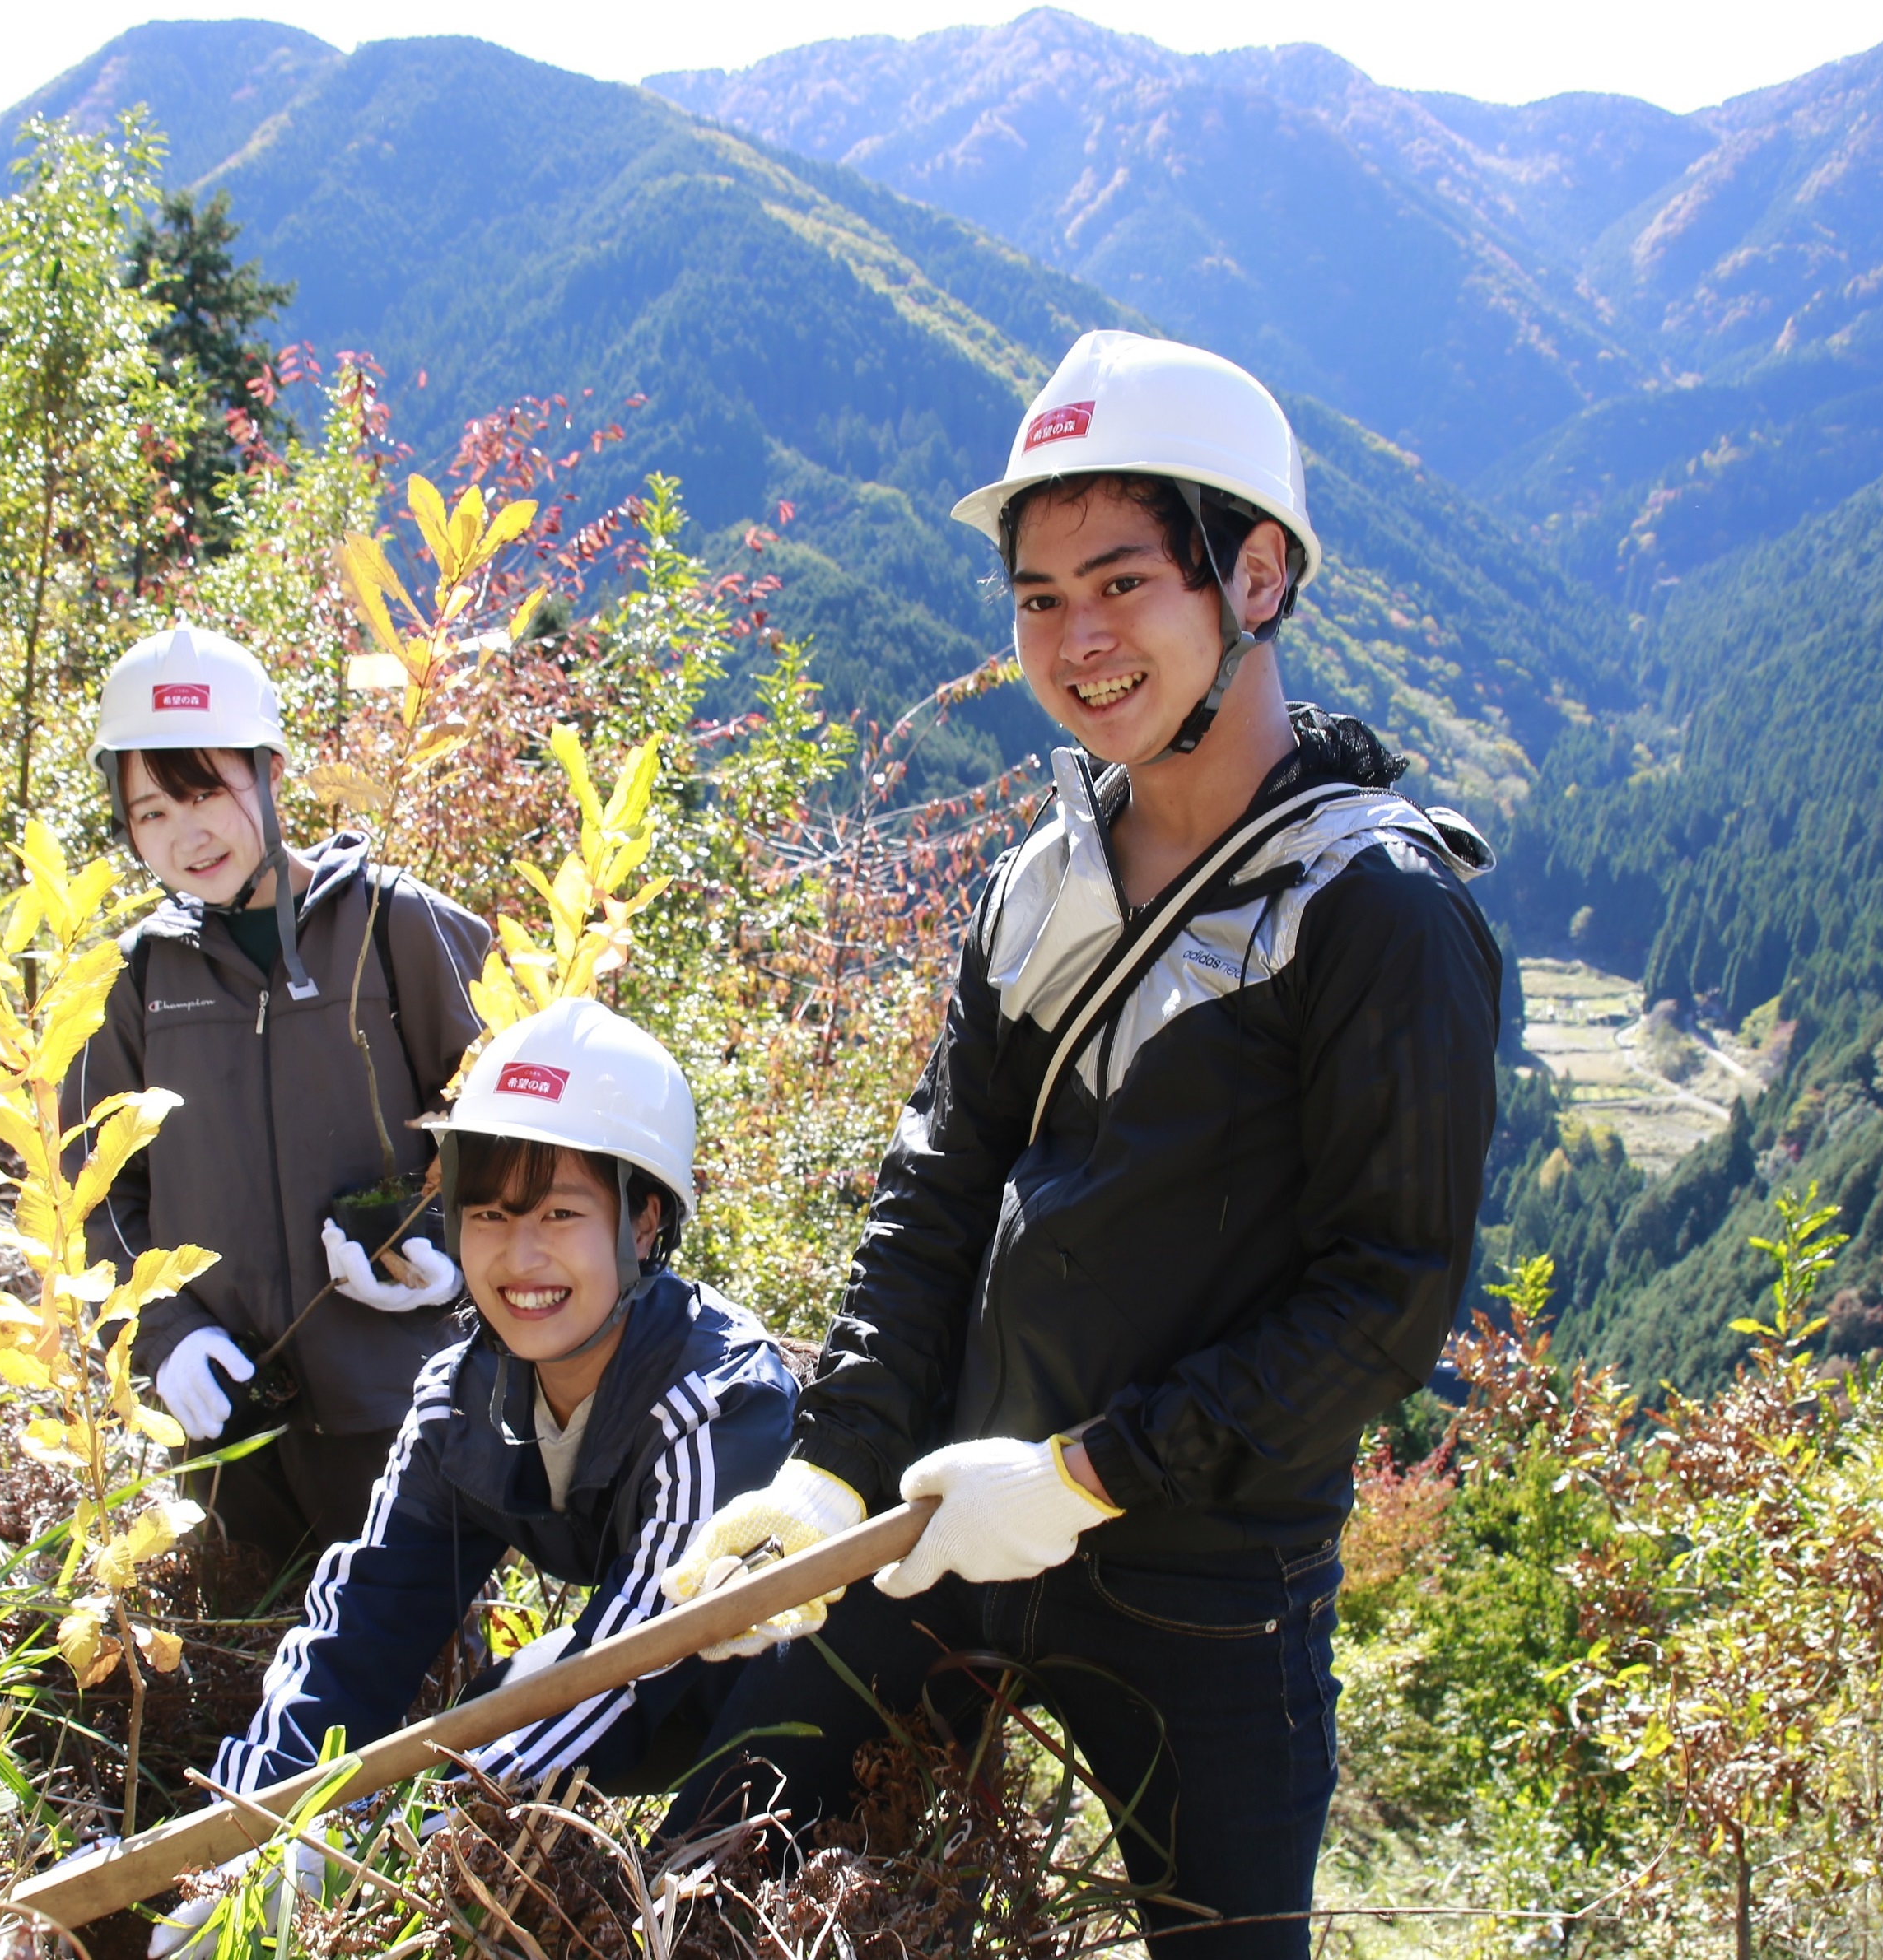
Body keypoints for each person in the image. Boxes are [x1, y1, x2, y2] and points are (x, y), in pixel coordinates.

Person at [665, 330, 1503, 1953]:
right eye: (1038, 597)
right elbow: (940, 1179)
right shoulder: (1038, 882)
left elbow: (1383, 1295)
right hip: (941, 1510)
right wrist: (837, 1455)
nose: (1076, 639)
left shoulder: (1378, 913)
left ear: (1252, 572)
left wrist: (1090, 1472)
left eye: (1120, 581)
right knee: (708, 1875)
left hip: (1205, 1574)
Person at [151, 999, 794, 1948]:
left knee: (695, 1887)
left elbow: (635, 1658)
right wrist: (250, 1831)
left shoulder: (718, 1399)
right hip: (638, 1667)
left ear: (647, 1219)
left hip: (793, 1681)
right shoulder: (464, 1396)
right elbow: (363, 1623)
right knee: (499, 1696)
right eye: (488, 1213)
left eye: (562, 1213)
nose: (520, 1254)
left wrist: (389, 1841)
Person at [68, 624, 491, 1591]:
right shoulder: (137, 981)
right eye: (152, 810)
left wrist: (452, 1257)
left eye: (208, 789)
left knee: (418, 1682)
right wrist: (163, 1335)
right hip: (223, 1426)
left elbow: (514, 1132)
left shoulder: (397, 927)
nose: (187, 832)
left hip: (402, 1408)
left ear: (271, 770)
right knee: (248, 1680)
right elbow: (87, 1190)